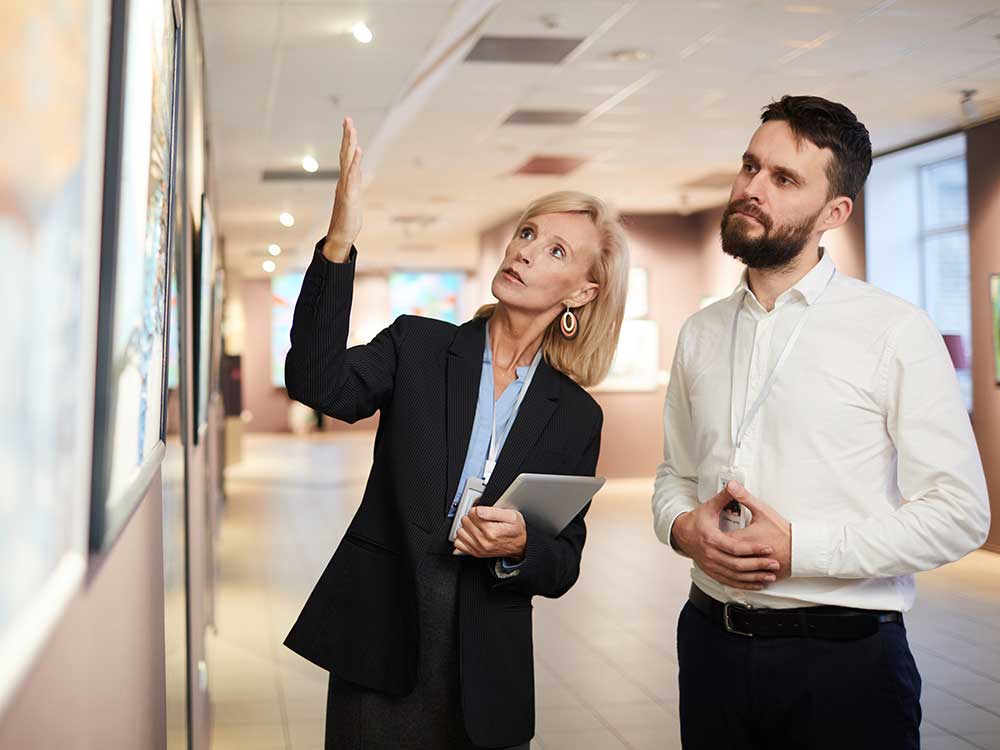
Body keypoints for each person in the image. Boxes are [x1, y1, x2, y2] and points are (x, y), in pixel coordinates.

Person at [651, 95, 990, 749]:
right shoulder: (700, 333)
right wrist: (681, 525)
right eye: (751, 166)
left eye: (783, 179)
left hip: (846, 666)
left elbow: (959, 514)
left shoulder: (894, 331)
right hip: (710, 648)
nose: (751, 188)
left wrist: (799, 551)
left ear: (834, 213)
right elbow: (676, 473)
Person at [283, 118, 630, 750]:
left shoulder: (577, 415)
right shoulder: (418, 345)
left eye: (555, 250)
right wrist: (340, 238)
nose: (524, 250)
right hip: (384, 632)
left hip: (484, 660)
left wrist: (523, 543)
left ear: (585, 290)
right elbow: (316, 383)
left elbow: (564, 561)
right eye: (527, 233)